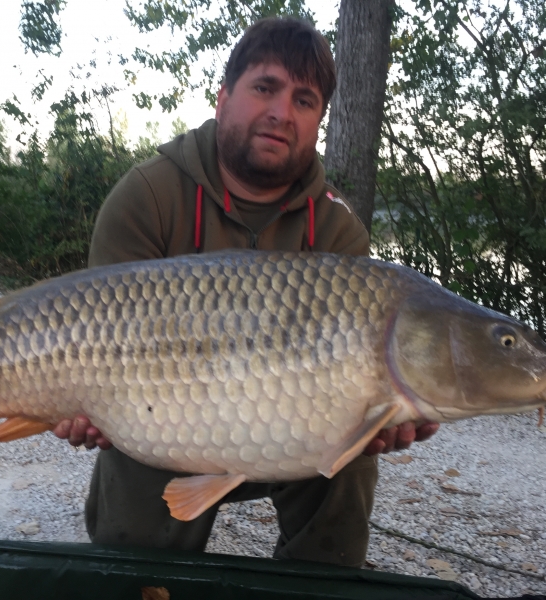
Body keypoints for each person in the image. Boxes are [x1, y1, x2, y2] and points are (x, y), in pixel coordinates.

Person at [53, 17, 439, 567]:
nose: (283, 113)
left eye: (304, 101)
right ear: (223, 97)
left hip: (290, 438)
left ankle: (314, 583)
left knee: (351, 452)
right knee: (132, 557)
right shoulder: (147, 196)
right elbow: (91, 340)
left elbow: (366, 376)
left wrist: (383, 418)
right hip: (158, 427)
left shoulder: (336, 231)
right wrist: (82, 409)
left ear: (318, 121)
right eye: (265, 88)